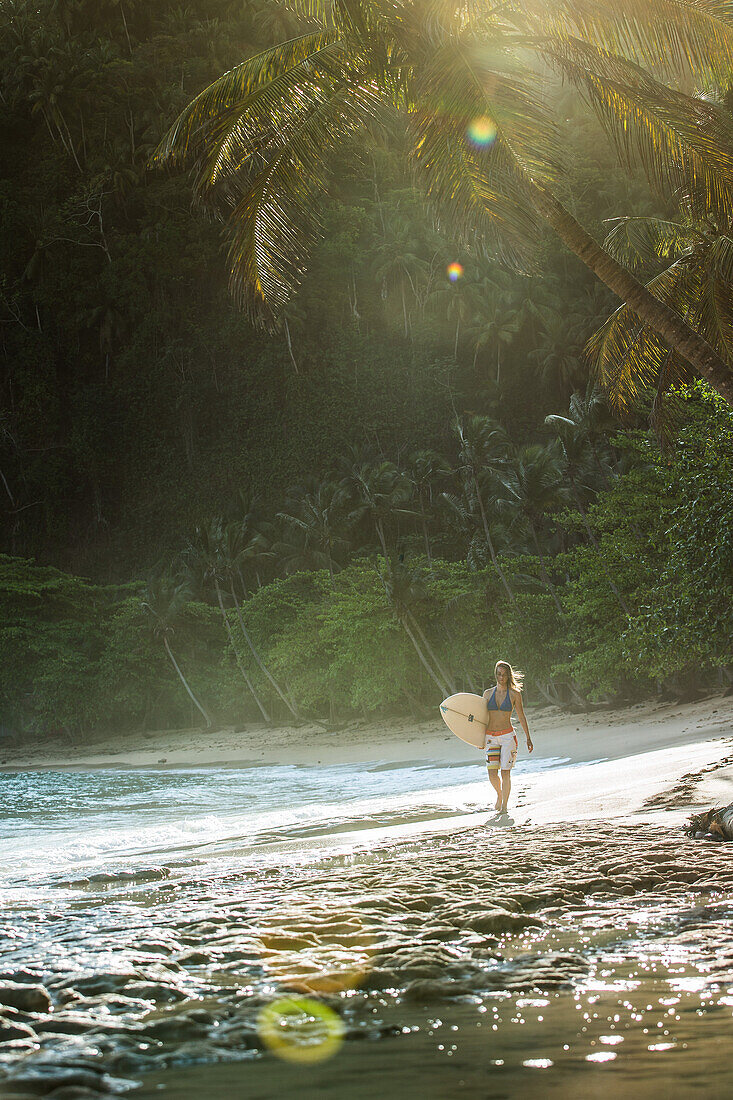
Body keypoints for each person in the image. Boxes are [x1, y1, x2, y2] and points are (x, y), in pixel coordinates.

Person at [483, 661, 533, 813]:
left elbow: (521, 716)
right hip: (490, 737)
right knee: (492, 773)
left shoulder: (514, 694)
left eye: (504, 674)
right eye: (499, 674)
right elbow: (481, 717)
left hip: (507, 737)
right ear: (495, 674)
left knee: (505, 772)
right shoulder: (487, 694)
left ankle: (504, 805)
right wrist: (477, 739)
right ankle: (499, 795)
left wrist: (528, 738)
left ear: (508, 675)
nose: (501, 677)